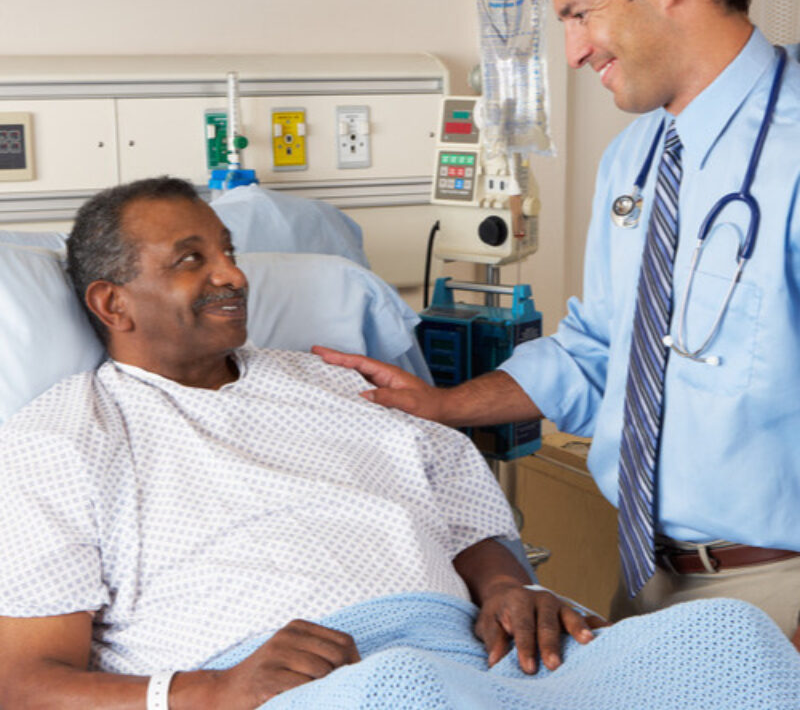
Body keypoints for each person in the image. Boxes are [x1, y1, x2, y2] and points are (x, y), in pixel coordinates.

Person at [316, 0, 800, 651]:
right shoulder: (636, 161)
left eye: (580, 14)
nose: (573, 52)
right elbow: (595, 353)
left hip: (782, 596)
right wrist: (444, 405)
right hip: (649, 581)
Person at [0, 177, 601, 709]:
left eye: (229, 252)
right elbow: (25, 685)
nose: (233, 275)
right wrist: (212, 692)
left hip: (472, 658)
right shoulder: (62, 441)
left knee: (693, 640)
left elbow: (464, 514)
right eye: (190, 260)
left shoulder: (333, 380)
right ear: (113, 303)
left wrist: (508, 589)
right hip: (290, 686)